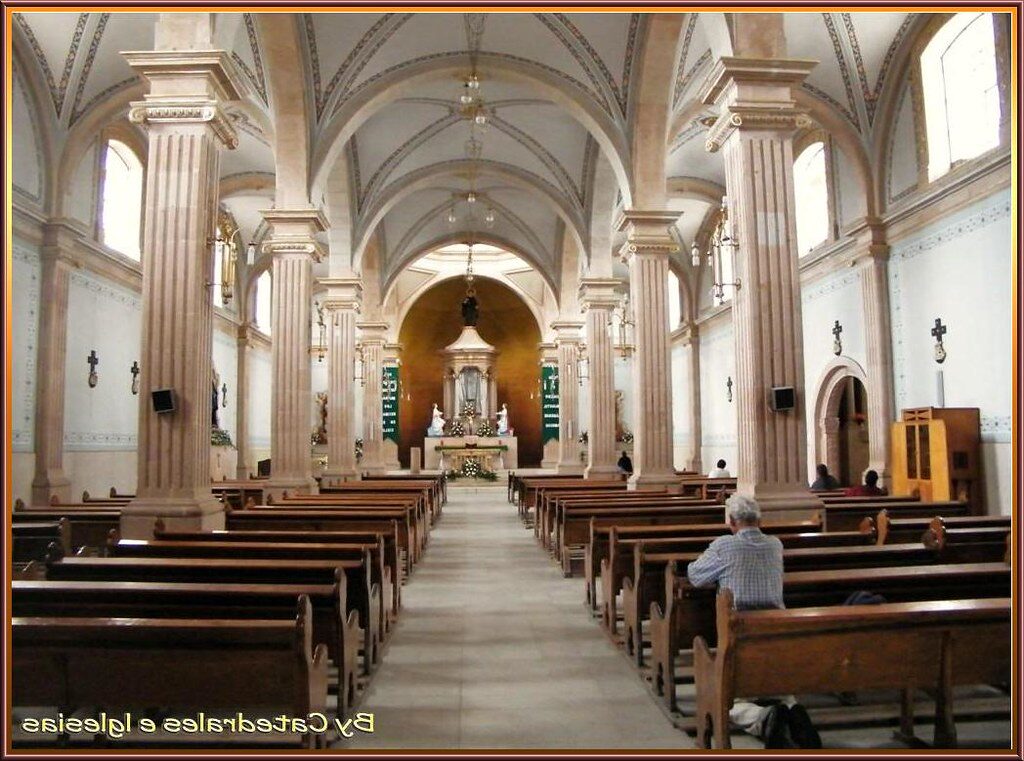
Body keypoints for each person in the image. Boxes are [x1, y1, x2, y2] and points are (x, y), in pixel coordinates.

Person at [687, 494, 822, 749]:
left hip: (739, 633)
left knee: (727, 704)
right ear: (759, 519)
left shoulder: (724, 546)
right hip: (776, 631)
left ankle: (763, 718)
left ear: (731, 522)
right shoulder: (775, 545)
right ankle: (793, 709)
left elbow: (694, 576)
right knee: (776, 686)